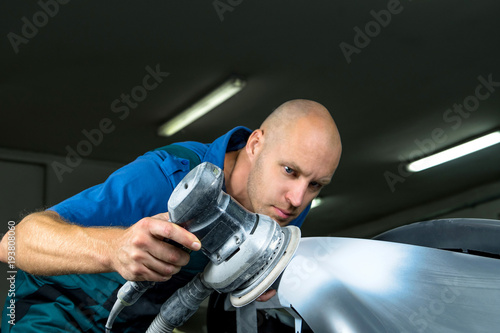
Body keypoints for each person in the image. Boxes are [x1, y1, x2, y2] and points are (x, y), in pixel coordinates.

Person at [0, 99, 342, 332]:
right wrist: (115, 248)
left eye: (316, 185)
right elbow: (14, 243)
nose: (298, 198)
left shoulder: (283, 209)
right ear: (255, 144)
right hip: (51, 315)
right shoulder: (167, 176)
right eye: (289, 170)